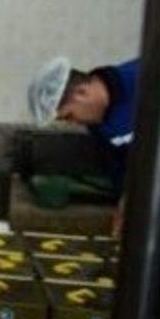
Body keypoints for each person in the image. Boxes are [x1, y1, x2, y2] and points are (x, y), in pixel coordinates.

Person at [30, 56, 139, 232]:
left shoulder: (146, 78)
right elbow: (122, 172)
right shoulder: (100, 126)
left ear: (81, 92)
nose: (73, 123)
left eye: (69, 116)